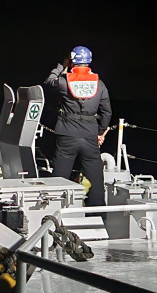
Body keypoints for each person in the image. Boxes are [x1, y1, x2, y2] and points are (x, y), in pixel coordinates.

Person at [44, 46, 112, 208]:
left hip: (66, 135)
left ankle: (57, 212)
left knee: (59, 178)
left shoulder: (64, 82)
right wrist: (100, 133)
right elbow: (107, 112)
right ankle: (98, 215)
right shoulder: (99, 84)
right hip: (90, 136)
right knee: (96, 180)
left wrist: (62, 65)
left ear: (72, 61)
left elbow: (49, 81)